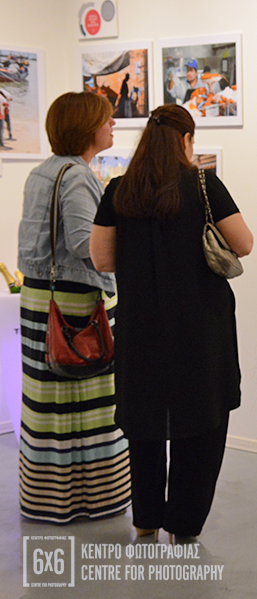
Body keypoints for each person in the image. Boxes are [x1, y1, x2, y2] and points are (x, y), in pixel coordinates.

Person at [90, 104, 253, 540]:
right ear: (186, 140)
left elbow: (102, 258)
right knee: (201, 426)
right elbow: (245, 243)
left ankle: (145, 521)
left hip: (140, 329)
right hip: (201, 330)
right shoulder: (203, 184)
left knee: (143, 427)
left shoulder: (119, 190)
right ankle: (183, 525)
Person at [16, 91, 130, 523]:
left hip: (39, 300)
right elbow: (89, 247)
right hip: (73, 305)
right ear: (87, 128)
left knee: (48, 404)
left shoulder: (41, 172)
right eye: (107, 119)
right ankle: (90, 499)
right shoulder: (77, 176)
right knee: (84, 403)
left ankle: (47, 498)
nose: (113, 124)